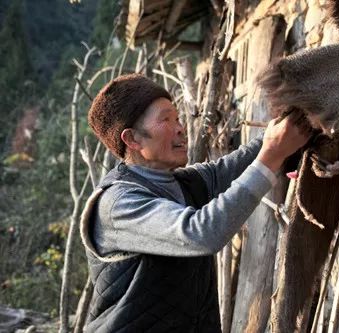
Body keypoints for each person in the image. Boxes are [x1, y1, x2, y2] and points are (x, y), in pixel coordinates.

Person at [79, 73, 311, 332]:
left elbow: (230, 168)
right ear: (132, 139)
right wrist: (270, 158)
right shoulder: (117, 204)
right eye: (165, 120)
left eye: (177, 118)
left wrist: (288, 125)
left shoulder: (183, 184)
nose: (180, 127)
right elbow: (201, 233)